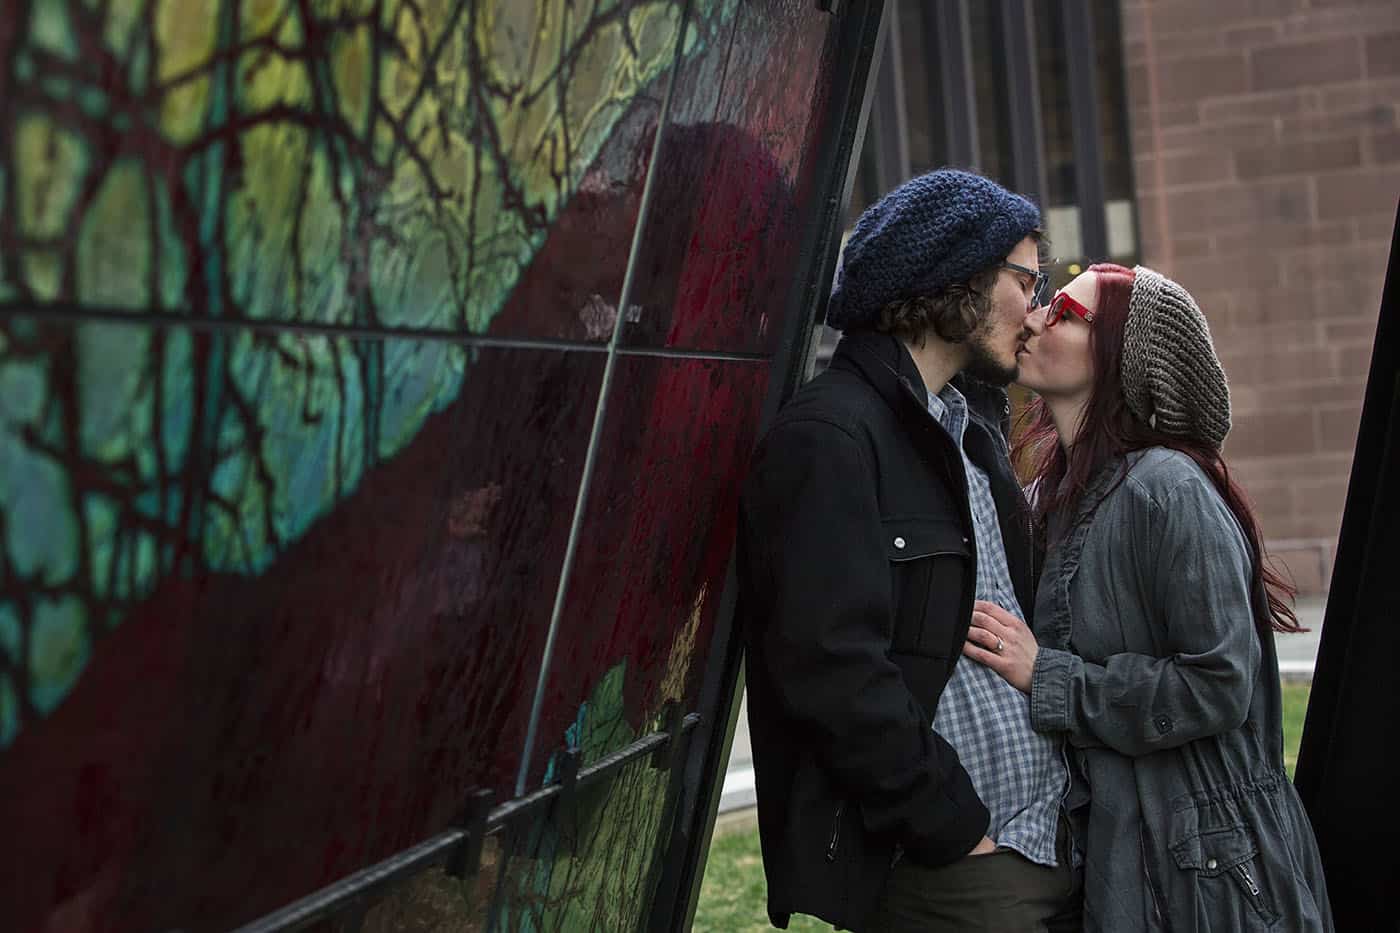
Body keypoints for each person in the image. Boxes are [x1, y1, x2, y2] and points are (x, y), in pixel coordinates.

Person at [736, 169, 1080, 932]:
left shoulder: (969, 433)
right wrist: (956, 831)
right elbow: (835, 674)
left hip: (1047, 841)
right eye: (1026, 280)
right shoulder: (827, 439)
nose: (1037, 308)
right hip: (962, 873)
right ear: (957, 276)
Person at [964, 263, 1334, 930]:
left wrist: (1050, 678)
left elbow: (1219, 684)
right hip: (1118, 859)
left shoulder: (1168, 488)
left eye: (1067, 313)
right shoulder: (1054, 497)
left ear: (1123, 357)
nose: (1038, 317)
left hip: (1211, 877)